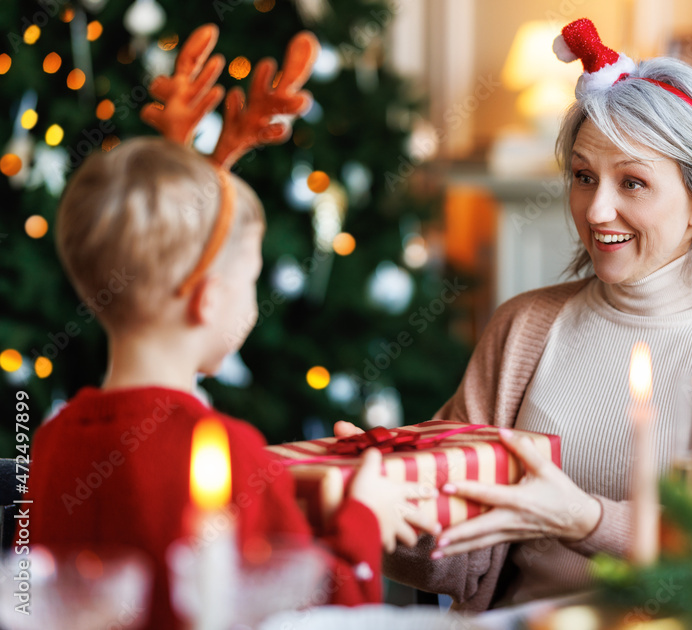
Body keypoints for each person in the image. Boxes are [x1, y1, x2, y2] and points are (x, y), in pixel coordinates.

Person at [376, 18, 692, 612]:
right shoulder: (523, 327)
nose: (597, 209)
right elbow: (453, 564)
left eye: (632, 182)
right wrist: (387, 501)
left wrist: (582, 518)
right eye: (584, 177)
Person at [27, 26, 438, 630]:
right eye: (251, 277)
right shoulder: (223, 454)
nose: (257, 295)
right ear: (207, 300)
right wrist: (364, 518)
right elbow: (321, 610)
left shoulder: (51, 443)